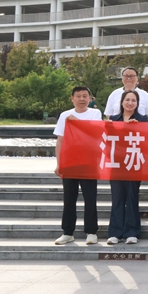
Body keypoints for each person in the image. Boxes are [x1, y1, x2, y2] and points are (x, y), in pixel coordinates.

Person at [54, 86, 103, 246]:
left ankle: (91, 232)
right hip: (70, 162)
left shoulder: (95, 113)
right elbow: (60, 141)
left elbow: (94, 133)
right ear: (72, 98)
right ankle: (68, 232)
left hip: (88, 162)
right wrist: (59, 163)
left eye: (85, 96)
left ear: (90, 98)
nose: (81, 99)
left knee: (90, 198)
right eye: (78, 96)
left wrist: (76, 122)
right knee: (69, 199)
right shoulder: (65, 115)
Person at [107, 90, 146, 246]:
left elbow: (147, 140)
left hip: (133, 164)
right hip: (116, 165)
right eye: (127, 100)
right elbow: (107, 140)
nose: (130, 103)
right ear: (122, 102)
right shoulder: (113, 119)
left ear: (137, 103)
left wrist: (136, 128)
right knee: (117, 198)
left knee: (131, 198)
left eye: (133, 100)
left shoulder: (142, 119)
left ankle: (131, 232)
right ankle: (115, 233)